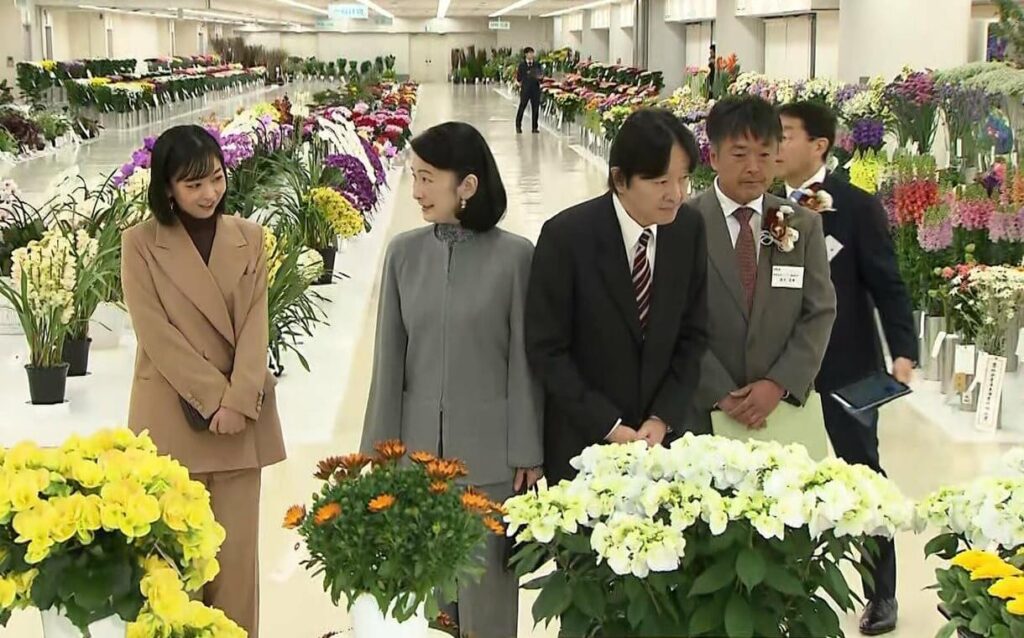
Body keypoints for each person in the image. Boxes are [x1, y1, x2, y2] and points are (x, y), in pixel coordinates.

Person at [361, 121, 543, 638]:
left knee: (488, 598)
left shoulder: (515, 257)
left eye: (426, 178)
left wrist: (528, 450)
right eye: (413, 177)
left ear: (467, 185)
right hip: (420, 459)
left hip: (491, 461)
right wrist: (380, 454)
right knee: (436, 600)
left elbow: (525, 365)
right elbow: (388, 363)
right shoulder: (403, 254)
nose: (415, 190)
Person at [122, 125, 286, 637]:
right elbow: (155, 333)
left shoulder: (250, 238)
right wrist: (218, 399)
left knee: (235, 567)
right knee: (171, 568)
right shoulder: (141, 244)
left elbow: (256, 323)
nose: (209, 193)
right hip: (172, 418)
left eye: (215, 179)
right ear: (167, 188)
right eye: (193, 185)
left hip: (241, 422)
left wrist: (240, 400)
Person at [777, 101, 917, 636]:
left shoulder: (856, 207)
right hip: (785, 371)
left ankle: (880, 594)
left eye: (787, 135)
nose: (778, 144)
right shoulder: (767, 208)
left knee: (862, 477)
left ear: (819, 146)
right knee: (786, 478)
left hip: (850, 369)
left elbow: (887, 282)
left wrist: (902, 348)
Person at [526, 108, 709, 484]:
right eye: (660, 181)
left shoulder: (688, 230)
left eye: (684, 179)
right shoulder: (567, 237)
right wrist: (608, 426)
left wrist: (662, 418)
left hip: (664, 444)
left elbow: (694, 333)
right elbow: (547, 349)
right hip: (584, 445)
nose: (676, 195)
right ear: (619, 179)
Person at [686, 95, 836, 436]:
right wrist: (719, 391)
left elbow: (819, 311)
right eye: (740, 155)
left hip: (781, 413)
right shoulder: (684, 224)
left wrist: (779, 382)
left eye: (765, 154)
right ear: (713, 157)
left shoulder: (801, 223)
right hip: (701, 412)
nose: (754, 167)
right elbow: (670, 316)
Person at [516, 46, 542, 134]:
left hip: (535, 90)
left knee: (535, 108)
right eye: (529, 53)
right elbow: (518, 78)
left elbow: (540, 75)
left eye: (532, 53)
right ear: (526, 54)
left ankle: (535, 127)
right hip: (525, 90)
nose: (531, 55)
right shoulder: (522, 65)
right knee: (522, 107)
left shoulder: (537, 64)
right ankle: (518, 125)